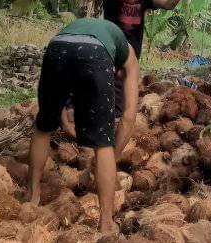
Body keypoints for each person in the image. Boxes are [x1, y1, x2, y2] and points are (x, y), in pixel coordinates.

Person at [26, 17, 139, 235]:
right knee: (103, 143)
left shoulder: (94, 29)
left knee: (43, 127)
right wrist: (111, 158)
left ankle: (32, 193)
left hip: (57, 47)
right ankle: (106, 223)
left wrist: (65, 122)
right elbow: (128, 117)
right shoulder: (129, 57)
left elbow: (62, 90)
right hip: (94, 54)